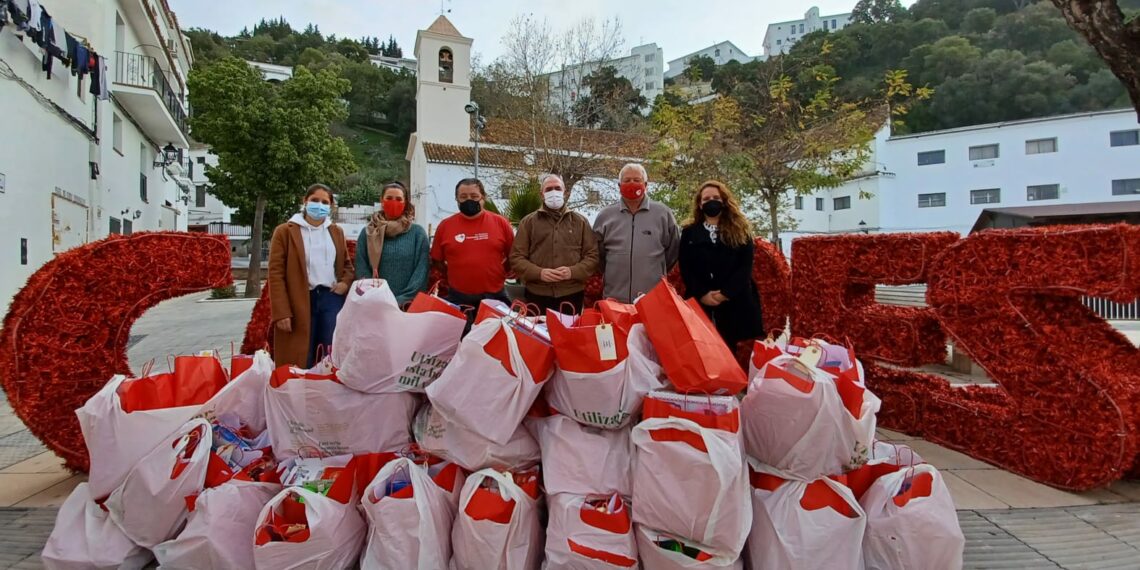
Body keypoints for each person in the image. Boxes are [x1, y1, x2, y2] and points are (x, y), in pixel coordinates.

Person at [268, 184, 354, 368]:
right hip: (300, 299)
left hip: (331, 299)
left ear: (331, 206)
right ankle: (298, 393)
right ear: (305, 201)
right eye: (315, 200)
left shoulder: (336, 232)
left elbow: (347, 265)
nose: (319, 205)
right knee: (300, 354)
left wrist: (344, 284)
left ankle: (324, 393)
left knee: (328, 353)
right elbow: (275, 274)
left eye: (325, 202)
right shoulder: (285, 231)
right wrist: (281, 311)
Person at [678, 180, 764, 348]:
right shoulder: (689, 232)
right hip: (700, 301)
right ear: (700, 204)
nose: (711, 201)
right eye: (706, 198)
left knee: (731, 350)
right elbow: (686, 266)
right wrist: (703, 293)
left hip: (735, 302)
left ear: (724, 201)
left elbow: (745, 267)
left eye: (716, 197)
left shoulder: (741, 230)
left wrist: (724, 294)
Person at [510, 174, 599, 314]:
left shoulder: (580, 222)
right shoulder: (528, 223)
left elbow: (592, 256)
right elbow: (516, 257)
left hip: (572, 294)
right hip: (537, 294)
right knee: (536, 334)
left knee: (568, 335)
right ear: (542, 194)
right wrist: (539, 273)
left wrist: (572, 272)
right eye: (549, 189)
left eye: (557, 188)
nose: (553, 192)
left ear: (565, 192)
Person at [430, 178, 515, 325]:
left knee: (496, 344)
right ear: (456, 199)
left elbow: (513, 256)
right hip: (458, 297)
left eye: (474, 196)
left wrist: (499, 272)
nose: (469, 200)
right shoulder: (445, 226)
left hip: (494, 296)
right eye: (463, 197)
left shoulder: (501, 223)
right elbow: (437, 261)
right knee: (459, 343)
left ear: (483, 197)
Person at [593, 163, 680, 303]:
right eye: (627, 180)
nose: (632, 184)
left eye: (637, 180)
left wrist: (656, 268)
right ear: (619, 185)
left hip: (653, 298)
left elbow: (672, 253)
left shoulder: (663, 214)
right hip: (615, 299)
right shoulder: (605, 216)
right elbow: (598, 255)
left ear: (646, 185)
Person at [354, 181, 430, 305]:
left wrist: (403, 299)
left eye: (398, 199)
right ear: (382, 200)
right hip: (374, 303)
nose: (393, 202)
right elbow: (361, 266)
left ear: (405, 202)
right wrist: (374, 296)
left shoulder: (417, 234)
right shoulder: (368, 232)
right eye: (389, 198)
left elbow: (421, 270)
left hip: (406, 305)